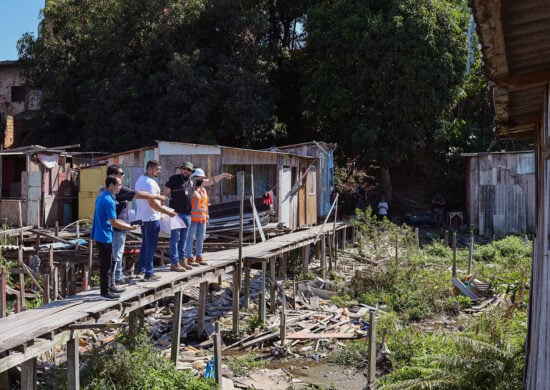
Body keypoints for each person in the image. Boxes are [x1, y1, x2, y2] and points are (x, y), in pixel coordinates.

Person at [103, 165, 168, 285]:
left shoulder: (104, 190)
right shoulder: (118, 190)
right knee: (117, 254)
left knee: (114, 254)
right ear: (114, 176)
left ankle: (117, 277)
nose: (123, 176)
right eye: (121, 173)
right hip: (118, 226)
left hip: (112, 227)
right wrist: (159, 197)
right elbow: (140, 195)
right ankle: (115, 279)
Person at [163, 161, 231, 271]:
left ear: (191, 172)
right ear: (181, 168)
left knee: (184, 240)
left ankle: (182, 261)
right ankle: (174, 263)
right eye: (184, 169)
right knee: (175, 239)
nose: (186, 171)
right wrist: (163, 208)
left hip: (187, 215)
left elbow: (210, 181)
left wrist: (222, 175)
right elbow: (165, 194)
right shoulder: (174, 179)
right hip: (176, 214)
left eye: (188, 170)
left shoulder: (193, 181)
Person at [91, 175, 137, 299]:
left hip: (100, 234)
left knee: (110, 262)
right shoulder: (109, 201)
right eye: (118, 185)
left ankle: (110, 286)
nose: (120, 187)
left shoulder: (102, 196)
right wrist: (129, 227)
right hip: (104, 235)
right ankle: (105, 292)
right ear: (111, 185)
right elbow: (114, 222)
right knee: (106, 265)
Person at [135, 160, 177, 280]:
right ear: (150, 169)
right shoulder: (150, 183)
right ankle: (149, 272)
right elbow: (152, 203)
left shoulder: (140, 180)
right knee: (151, 245)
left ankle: (141, 268)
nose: (159, 172)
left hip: (142, 216)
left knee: (145, 244)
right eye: (157, 169)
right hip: (151, 217)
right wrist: (167, 212)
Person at [184, 168, 209, 266]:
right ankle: (189, 257)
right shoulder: (190, 189)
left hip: (202, 219)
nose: (202, 180)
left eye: (203, 178)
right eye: (200, 178)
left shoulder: (203, 190)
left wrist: (207, 217)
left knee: (201, 238)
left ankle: (199, 256)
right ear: (194, 178)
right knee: (190, 238)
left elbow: (206, 205)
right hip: (193, 218)